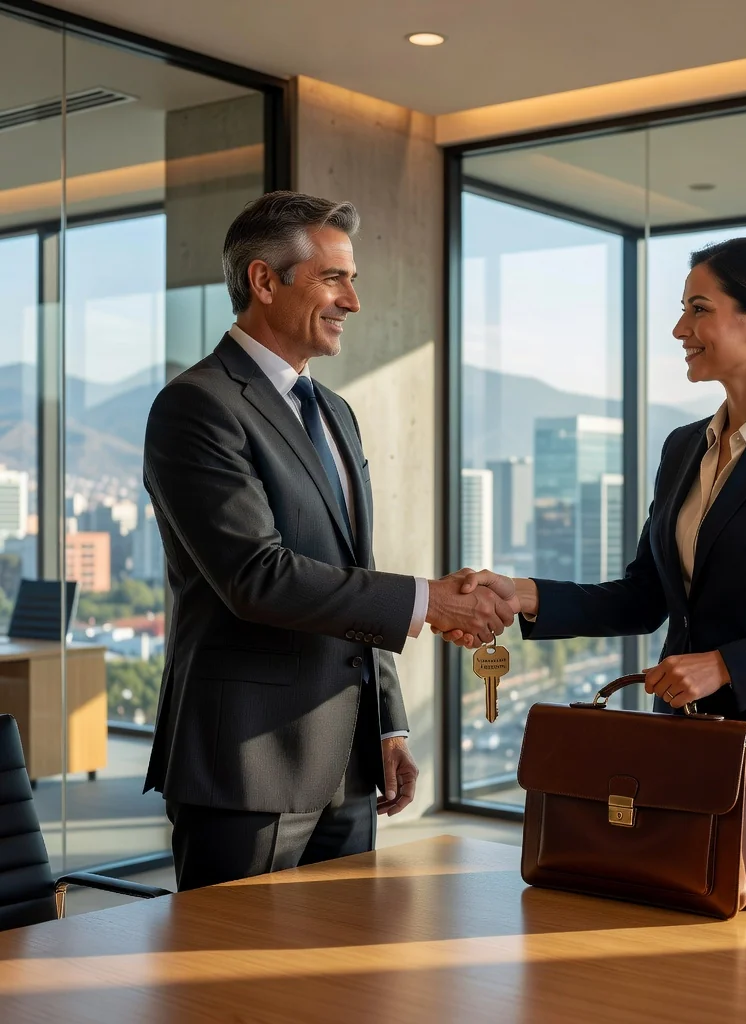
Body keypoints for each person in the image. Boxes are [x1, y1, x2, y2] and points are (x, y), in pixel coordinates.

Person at [445, 237, 746, 898]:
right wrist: (521, 592)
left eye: (698, 309)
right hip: (682, 753)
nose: (680, 329)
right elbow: (643, 597)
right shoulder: (684, 448)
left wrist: (726, 665)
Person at [143, 190, 516, 891]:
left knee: (345, 954)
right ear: (263, 280)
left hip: (349, 764)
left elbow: (354, 571)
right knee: (230, 958)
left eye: (354, 279)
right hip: (248, 763)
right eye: (334, 278)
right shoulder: (197, 405)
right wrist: (430, 601)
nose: (353, 301)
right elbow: (256, 577)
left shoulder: (335, 412)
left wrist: (387, 726)